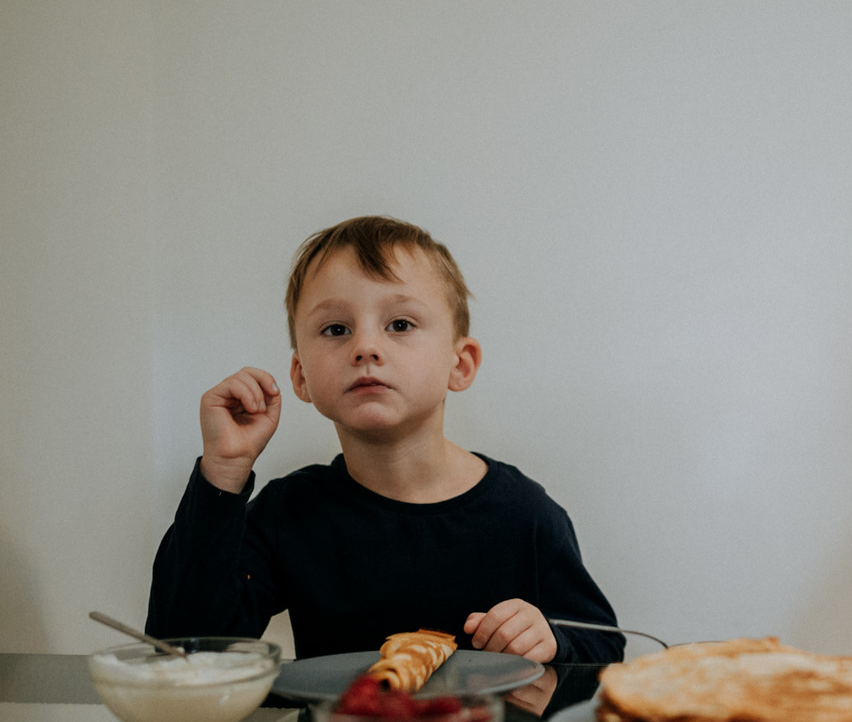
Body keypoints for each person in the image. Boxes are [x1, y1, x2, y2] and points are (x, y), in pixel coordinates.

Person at [147, 215, 621, 665]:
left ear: (460, 364)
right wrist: (224, 471)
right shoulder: (290, 513)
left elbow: (603, 649)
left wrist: (551, 639)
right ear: (301, 376)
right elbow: (183, 646)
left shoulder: (526, 514)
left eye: (399, 325)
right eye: (336, 329)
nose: (365, 347)